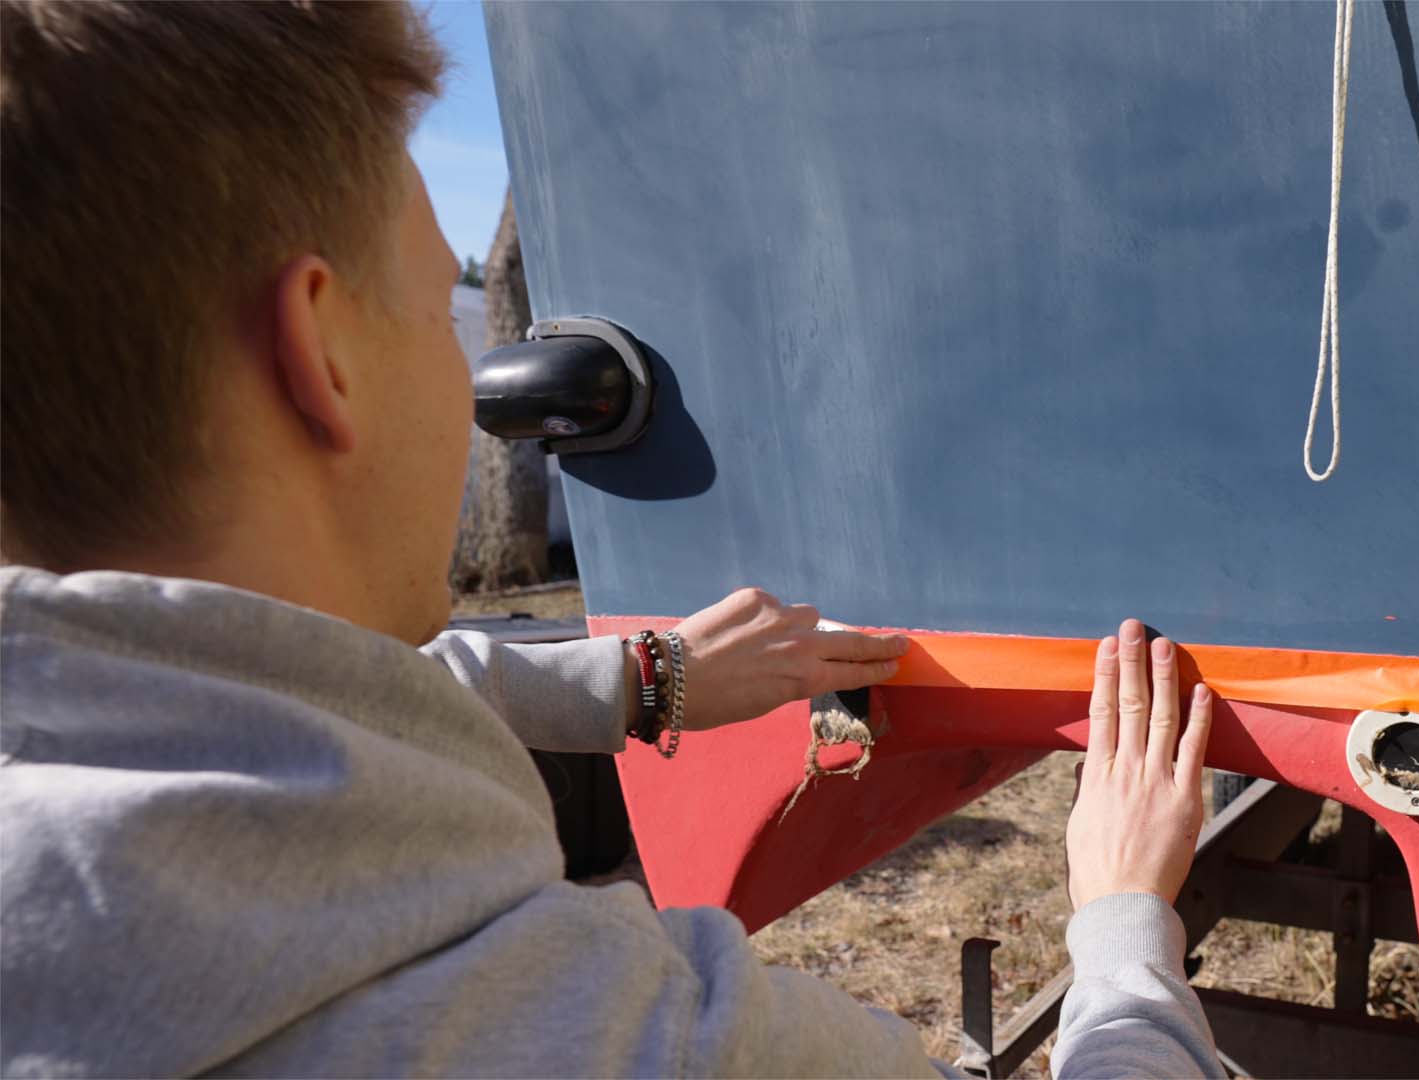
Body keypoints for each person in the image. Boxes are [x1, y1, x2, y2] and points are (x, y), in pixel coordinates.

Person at [0, 3, 1222, 1077]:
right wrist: (1122, 928)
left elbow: (349, 687)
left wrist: (648, 678)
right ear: (319, 356)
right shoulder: (615, 1039)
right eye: (431, 307)